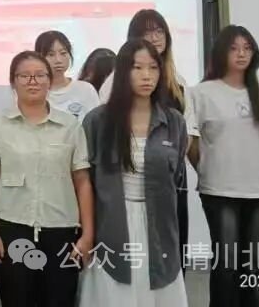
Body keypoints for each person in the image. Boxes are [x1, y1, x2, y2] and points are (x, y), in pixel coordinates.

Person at [0, 51, 94, 307]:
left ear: (49, 81)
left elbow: (82, 181)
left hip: (61, 231)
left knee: (60, 300)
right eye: (25, 76)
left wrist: (87, 236)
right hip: (13, 230)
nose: (33, 81)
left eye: (40, 75)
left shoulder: (70, 126)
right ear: (13, 82)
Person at [79, 39, 190, 307]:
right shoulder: (97, 121)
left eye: (153, 68)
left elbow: (176, 176)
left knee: (159, 288)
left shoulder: (173, 121)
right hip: (113, 223)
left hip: (159, 225)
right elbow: (86, 181)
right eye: (137, 68)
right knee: (115, 292)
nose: (146, 75)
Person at [188, 25, 259, 307]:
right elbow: (192, 143)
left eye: (247, 48)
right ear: (220, 53)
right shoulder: (201, 93)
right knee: (226, 265)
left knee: (253, 267)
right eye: (234, 48)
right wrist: (208, 169)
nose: (241, 54)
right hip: (219, 190)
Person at [100, 9, 195, 275]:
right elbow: (105, 129)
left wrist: (163, 159)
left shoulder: (179, 84)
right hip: (127, 182)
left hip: (168, 180)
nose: (154, 38)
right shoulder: (113, 83)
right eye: (146, 32)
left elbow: (187, 135)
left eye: (159, 31)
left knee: (170, 251)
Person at [34, 31, 100, 121]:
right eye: (51, 54)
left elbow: (96, 124)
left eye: (63, 53)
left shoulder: (86, 90)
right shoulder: (32, 92)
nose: (58, 60)